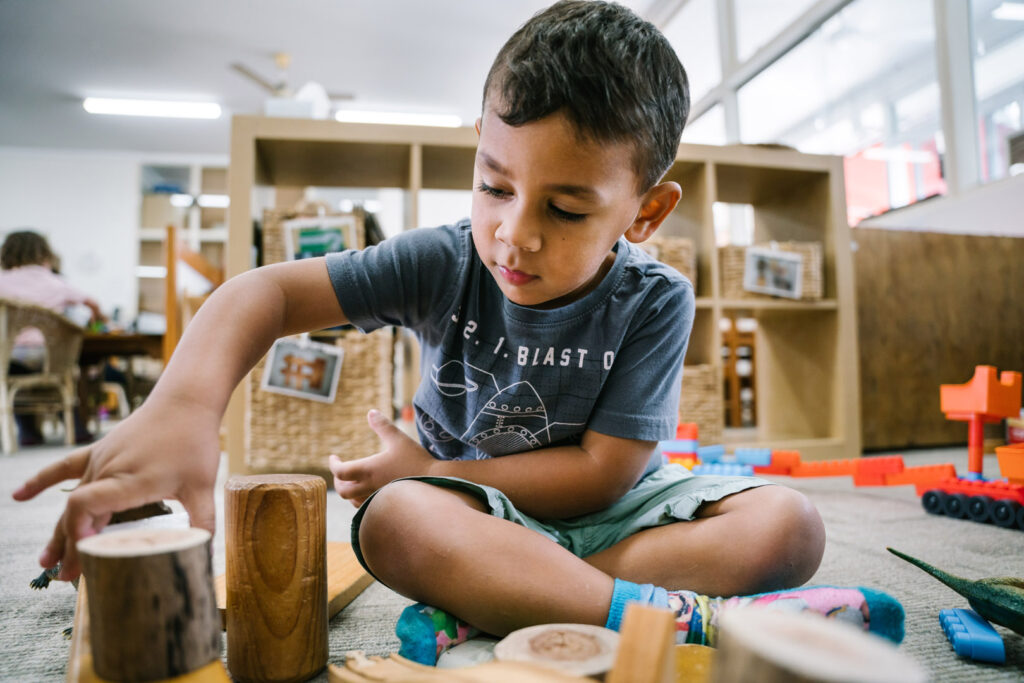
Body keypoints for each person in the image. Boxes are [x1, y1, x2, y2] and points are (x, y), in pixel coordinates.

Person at [13, 0, 903, 662]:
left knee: (790, 522)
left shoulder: (656, 298)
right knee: (396, 520)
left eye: (564, 206)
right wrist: (183, 408)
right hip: (467, 510)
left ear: (645, 210)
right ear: (476, 147)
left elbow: (605, 470)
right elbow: (263, 295)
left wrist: (432, 464)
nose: (514, 231)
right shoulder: (442, 260)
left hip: (610, 510)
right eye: (493, 184)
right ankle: (653, 614)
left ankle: (521, 594)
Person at [0, 230, 103, 445]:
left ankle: (28, 432)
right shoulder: (55, 282)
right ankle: (76, 428)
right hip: (49, 355)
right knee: (60, 375)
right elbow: (92, 304)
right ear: (45, 254)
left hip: (9, 356)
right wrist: (97, 321)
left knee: (10, 377)